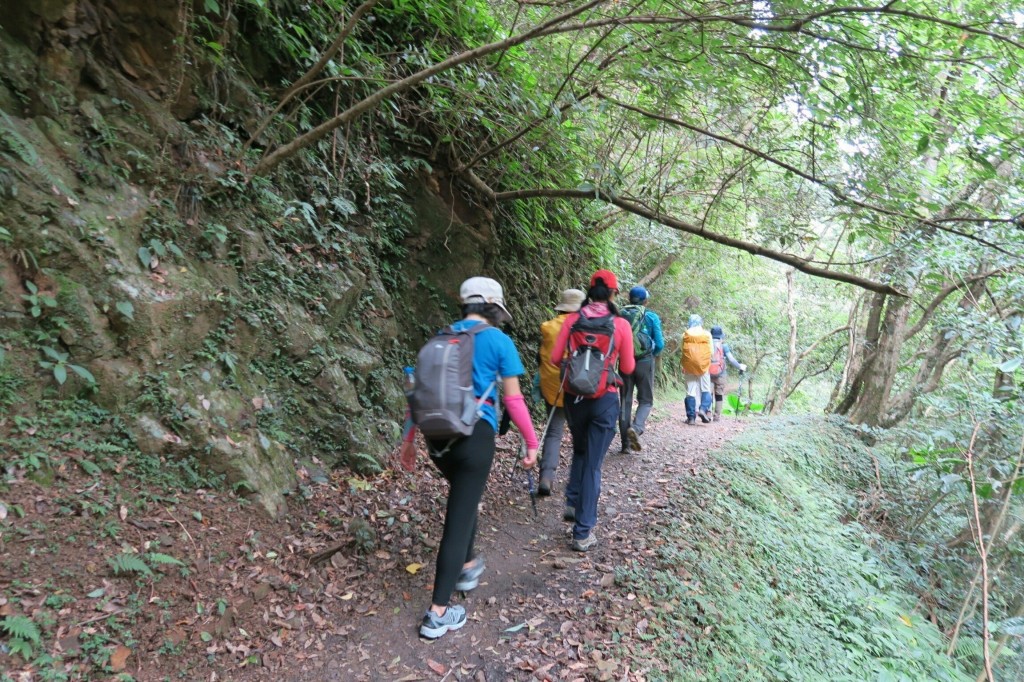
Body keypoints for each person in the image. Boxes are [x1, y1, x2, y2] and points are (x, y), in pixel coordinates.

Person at [400, 277, 539, 639]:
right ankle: (438, 613)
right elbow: (513, 400)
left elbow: (418, 391)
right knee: (459, 518)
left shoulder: (438, 337)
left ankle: (466, 561)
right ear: (494, 308)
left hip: (436, 439)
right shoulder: (498, 340)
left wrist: (408, 441)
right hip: (473, 437)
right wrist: (531, 441)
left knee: (465, 498)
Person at [549, 269, 635, 551]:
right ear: (613, 293)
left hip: (574, 399)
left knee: (580, 451)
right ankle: (583, 532)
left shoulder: (574, 319)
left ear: (590, 290)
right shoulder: (620, 324)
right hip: (604, 401)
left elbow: (554, 357)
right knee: (594, 465)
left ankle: (573, 502)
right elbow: (628, 369)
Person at [537, 288, 585, 496]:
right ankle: (578, 482)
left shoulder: (547, 327)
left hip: (552, 385)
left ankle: (546, 477)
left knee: (554, 432)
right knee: (580, 434)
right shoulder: (585, 327)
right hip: (577, 386)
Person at [617, 286, 664, 453]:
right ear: (645, 300)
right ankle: (636, 429)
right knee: (646, 400)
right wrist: (651, 355)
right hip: (645, 362)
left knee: (625, 401)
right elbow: (659, 344)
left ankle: (625, 445)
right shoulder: (650, 317)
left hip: (624, 362)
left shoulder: (620, 315)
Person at [709, 325, 747, 421]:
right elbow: (731, 359)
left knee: (708, 394)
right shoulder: (724, 346)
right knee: (719, 394)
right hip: (721, 374)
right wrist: (740, 366)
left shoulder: (707, 344)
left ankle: (708, 415)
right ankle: (717, 416)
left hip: (708, 373)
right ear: (721, 336)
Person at [680, 314, 713, 425]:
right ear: (700, 322)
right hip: (703, 366)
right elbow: (711, 352)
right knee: (705, 388)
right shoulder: (707, 334)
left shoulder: (685, 335)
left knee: (690, 391)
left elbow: (682, 351)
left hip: (689, 366)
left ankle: (691, 418)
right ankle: (703, 409)